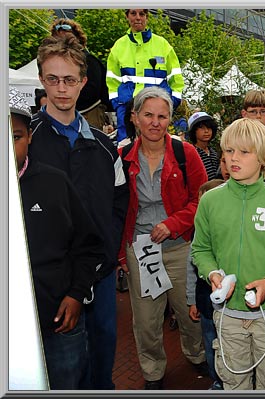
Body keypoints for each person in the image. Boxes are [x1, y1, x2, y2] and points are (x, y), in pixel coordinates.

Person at [29, 35, 129, 390]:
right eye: (52, 79)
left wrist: (107, 250)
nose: (61, 88)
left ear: (83, 83)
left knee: (102, 363)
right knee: (62, 372)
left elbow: (120, 203)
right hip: (50, 281)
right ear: (42, 79)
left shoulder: (105, 148)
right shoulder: (27, 143)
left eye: (69, 79)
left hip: (99, 276)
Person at [191, 118, 265, 390]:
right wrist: (212, 273)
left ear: (263, 157)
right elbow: (200, 249)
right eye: (228, 151)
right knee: (234, 381)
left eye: (243, 152)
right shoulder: (210, 200)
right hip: (227, 315)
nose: (233, 159)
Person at [11, 86, 103, 390]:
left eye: (16, 137)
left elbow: (88, 245)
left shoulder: (53, 182)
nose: (9, 147)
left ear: (30, 138)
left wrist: (77, 294)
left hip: (58, 322)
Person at [117, 87, 208, 390]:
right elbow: (115, 209)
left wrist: (174, 223)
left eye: (162, 116)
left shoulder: (186, 153)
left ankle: (196, 355)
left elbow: (201, 200)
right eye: (148, 115)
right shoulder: (122, 158)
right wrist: (121, 254)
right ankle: (153, 371)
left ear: (170, 119)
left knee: (188, 311)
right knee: (146, 320)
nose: (155, 122)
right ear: (135, 118)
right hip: (140, 250)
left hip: (180, 246)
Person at [107, 9, 184, 144]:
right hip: (127, 108)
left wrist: (172, 102)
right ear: (127, 16)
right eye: (133, 14)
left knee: (157, 149)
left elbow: (176, 77)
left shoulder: (162, 45)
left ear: (147, 17)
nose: (138, 18)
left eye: (142, 14)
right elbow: (111, 80)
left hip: (156, 109)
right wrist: (117, 104)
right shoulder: (119, 46)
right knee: (125, 149)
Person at [186, 178, 226, 391]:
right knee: (211, 343)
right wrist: (191, 300)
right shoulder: (198, 232)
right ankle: (217, 380)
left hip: (229, 304)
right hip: (206, 302)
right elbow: (191, 267)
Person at [50, 18, 111, 131]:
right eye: (58, 39)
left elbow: (92, 93)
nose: (64, 43)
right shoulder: (53, 64)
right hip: (61, 116)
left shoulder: (89, 61)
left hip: (88, 115)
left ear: (78, 39)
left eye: (68, 39)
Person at [187, 111, 220, 180]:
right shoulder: (192, 153)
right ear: (194, 131)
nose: (206, 131)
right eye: (202, 128)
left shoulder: (214, 153)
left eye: (209, 127)